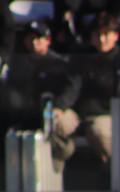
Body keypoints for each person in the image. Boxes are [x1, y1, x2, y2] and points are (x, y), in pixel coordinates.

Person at [69, 12, 120, 166]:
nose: (101, 39)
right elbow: (71, 89)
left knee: (98, 131)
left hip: (112, 116)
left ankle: (119, 171)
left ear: (116, 35)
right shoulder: (81, 59)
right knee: (56, 123)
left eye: (106, 34)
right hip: (82, 115)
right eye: (97, 34)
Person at [3, 21, 81, 173]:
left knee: (58, 124)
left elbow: (72, 89)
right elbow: (13, 94)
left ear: (48, 40)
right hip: (29, 114)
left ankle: (56, 167)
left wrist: (59, 106)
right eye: (30, 38)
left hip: (57, 111)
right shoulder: (19, 65)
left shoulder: (60, 64)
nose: (34, 42)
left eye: (38, 38)